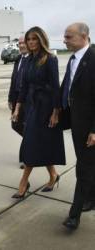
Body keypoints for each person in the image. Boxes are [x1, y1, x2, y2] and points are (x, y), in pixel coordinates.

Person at [11, 26, 65, 199]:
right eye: (29, 39)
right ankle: (53, 175)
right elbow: (24, 87)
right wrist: (17, 108)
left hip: (47, 107)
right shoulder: (27, 60)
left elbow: (56, 88)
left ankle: (23, 182)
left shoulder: (50, 59)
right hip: (32, 106)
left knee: (32, 144)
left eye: (34, 39)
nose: (31, 42)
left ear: (41, 40)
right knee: (39, 143)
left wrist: (56, 112)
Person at [60, 23, 95, 230]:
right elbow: (67, 88)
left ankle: (74, 215)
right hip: (77, 123)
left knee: (83, 168)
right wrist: (57, 109)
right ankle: (90, 199)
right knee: (88, 164)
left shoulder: (93, 59)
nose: (64, 40)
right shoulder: (73, 59)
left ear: (84, 36)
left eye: (68, 37)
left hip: (90, 126)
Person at [8, 36, 29, 169]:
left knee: (27, 128)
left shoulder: (33, 59)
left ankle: (26, 157)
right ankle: (32, 142)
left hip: (27, 99)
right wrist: (10, 98)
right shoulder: (18, 59)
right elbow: (13, 79)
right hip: (16, 98)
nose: (21, 45)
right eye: (19, 43)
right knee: (15, 125)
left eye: (23, 43)